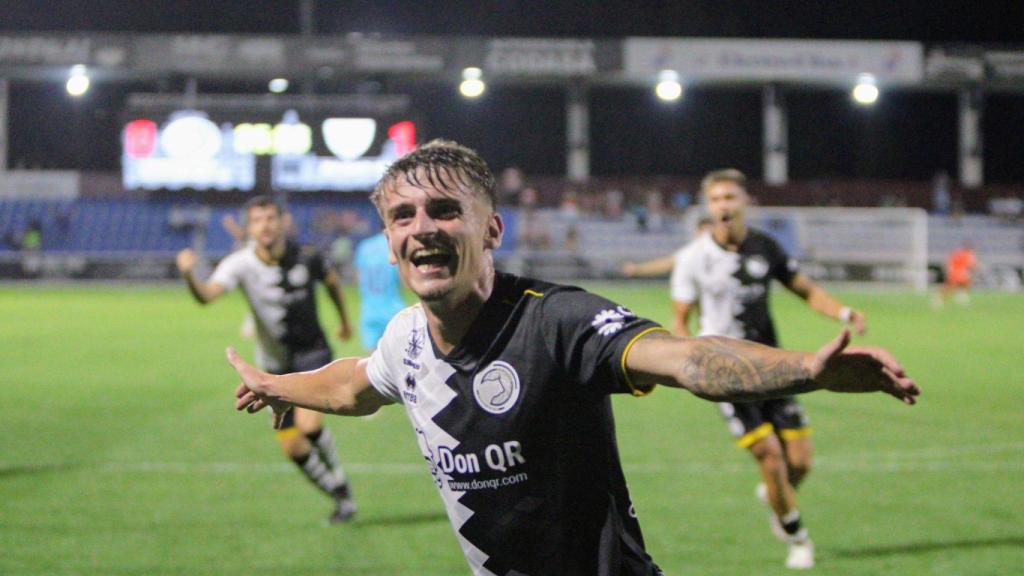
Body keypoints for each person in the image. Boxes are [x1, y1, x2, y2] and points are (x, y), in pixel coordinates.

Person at [226, 141, 918, 576]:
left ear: (490, 228)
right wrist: (280, 383)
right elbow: (356, 383)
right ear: (387, 241)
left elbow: (687, 358)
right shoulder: (407, 339)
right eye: (403, 217)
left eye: (444, 210)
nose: (423, 229)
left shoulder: (557, 318)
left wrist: (806, 369)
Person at [668, 169, 869, 569]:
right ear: (708, 207)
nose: (723, 205)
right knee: (770, 456)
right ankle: (797, 538)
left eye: (730, 197)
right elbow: (680, 321)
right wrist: (685, 367)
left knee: (800, 462)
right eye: (716, 199)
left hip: (774, 367)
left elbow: (807, 290)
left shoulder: (766, 247)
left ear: (744, 202)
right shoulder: (692, 259)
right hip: (724, 371)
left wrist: (844, 312)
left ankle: (776, 496)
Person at [176, 195, 358, 524]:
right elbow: (206, 296)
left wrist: (344, 321)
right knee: (293, 447)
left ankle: (340, 480)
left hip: (313, 354)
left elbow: (331, 283)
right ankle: (340, 493)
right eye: (258, 220)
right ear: (249, 228)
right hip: (273, 365)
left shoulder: (307, 256)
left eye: (271, 218)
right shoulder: (240, 264)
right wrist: (190, 276)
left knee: (309, 424)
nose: (266, 225)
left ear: (283, 222)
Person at [353, 230, 407, 350]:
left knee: (373, 363)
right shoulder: (393, 246)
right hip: (393, 310)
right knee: (399, 360)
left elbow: (359, 277)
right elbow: (403, 280)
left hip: (369, 310)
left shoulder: (364, 246)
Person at [621, 216, 712, 278]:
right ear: (697, 232)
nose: (705, 236)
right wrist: (638, 269)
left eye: (709, 232)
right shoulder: (692, 253)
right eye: (703, 231)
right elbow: (667, 264)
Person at [937, 240, 978, 306]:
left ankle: (941, 298)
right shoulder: (968, 254)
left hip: (953, 272)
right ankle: (959, 296)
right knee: (959, 285)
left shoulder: (957, 253)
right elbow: (972, 265)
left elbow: (949, 262)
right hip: (960, 273)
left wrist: (949, 270)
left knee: (953, 286)